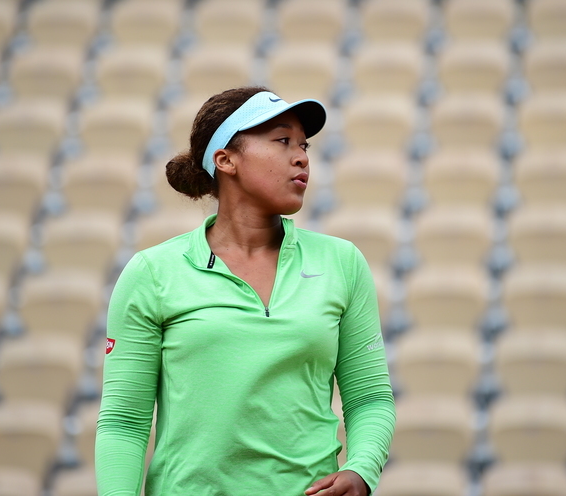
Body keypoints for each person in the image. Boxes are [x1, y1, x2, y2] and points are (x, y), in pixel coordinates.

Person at [95, 86, 396, 496]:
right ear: (226, 160)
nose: (301, 156)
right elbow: (124, 423)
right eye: (282, 140)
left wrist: (361, 470)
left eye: (304, 145)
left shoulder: (343, 262)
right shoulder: (151, 273)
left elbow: (370, 398)